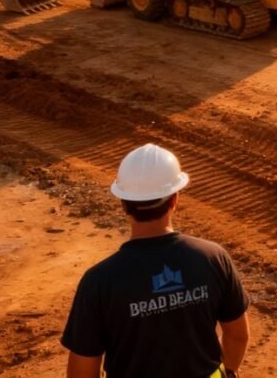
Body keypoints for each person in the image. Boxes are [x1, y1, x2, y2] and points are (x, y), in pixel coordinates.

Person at [61, 143, 250, 378]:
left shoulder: (99, 281)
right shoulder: (213, 257)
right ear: (174, 200)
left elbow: (82, 372)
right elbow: (238, 336)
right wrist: (227, 373)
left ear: (124, 204)